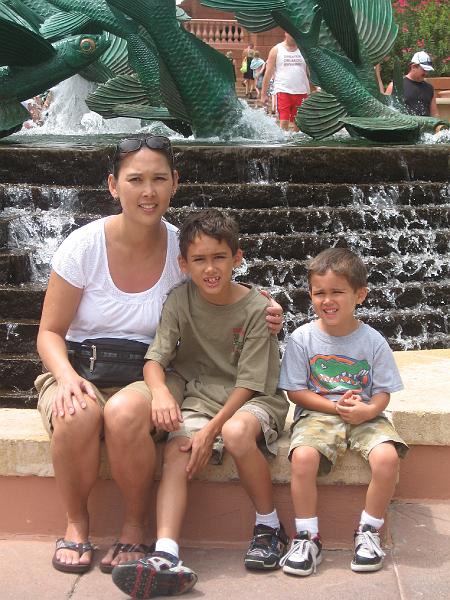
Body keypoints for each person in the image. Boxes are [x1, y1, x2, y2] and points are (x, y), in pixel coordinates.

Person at [35, 135, 284, 575]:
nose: (147, 192)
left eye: (158, 179)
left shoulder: (182, 250)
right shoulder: (83, 246)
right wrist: (65, 375)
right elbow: (49, 333)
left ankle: (135, 528)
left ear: (175, 184)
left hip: (152, 374)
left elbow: (223, 291)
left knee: (126, 413)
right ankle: (77, 524)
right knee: (76, 413)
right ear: (114, 186)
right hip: (77, 365)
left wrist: (267, 310)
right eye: (135, 180)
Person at [111, 210, 290, 598]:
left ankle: (269, 526)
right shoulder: (181, 299)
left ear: (237, 258)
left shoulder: (259, 309)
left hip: (255, 397)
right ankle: (166, 554)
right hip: (200, 397)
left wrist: (211, 431)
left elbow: (248, 383)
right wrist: (159, 392)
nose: (210, 268)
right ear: (183, 264)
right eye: (199, 259)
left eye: (219, 257)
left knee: (237, 433)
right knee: (178, 450)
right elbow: (155, 360)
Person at [278, 248, 408, 576]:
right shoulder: (301, 339)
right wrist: (333, 406)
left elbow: (382, 393)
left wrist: (368, 412)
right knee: (303, 457)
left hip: (365, 413)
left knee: (387, 458)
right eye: (319, 293)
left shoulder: (373, 341)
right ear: (310, 295)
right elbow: (296, 392)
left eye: (337, 292)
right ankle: (307, 535)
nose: (327, 300)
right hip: (319, 412)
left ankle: (368, 530)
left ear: (359, 295)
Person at [261, 33, 310, 131]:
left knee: (298, 124)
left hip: (301, 91)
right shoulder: (276, 50)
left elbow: (310, 71)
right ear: (286, 33)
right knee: (284, 121)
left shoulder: (304, 49)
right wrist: (263, 93)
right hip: (283, 90)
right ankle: (284, 144)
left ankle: (296, 145)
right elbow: (268, 72)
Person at [385, 51, 439, 117]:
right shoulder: (395, 86)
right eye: (424, 70)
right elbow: (386, 111)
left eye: (427, 71)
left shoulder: (429, 88)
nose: (426, 73)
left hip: (425, 126)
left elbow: (435, 114)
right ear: (413, 67)